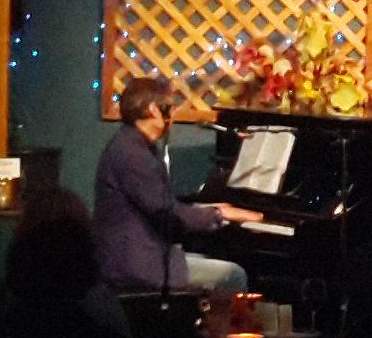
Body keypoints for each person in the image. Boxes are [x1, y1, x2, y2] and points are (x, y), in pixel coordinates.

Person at [92, 77, 260, 296]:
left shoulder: (129, 144)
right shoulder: (134, 155)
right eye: (169, 107)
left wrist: (207, 210)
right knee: (233, 275)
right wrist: (218, 214)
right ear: (154, 109)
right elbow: (166, 211)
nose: (172, 114)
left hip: (135, 258)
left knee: (210, 262)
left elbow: (160, 206)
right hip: (138, 265)